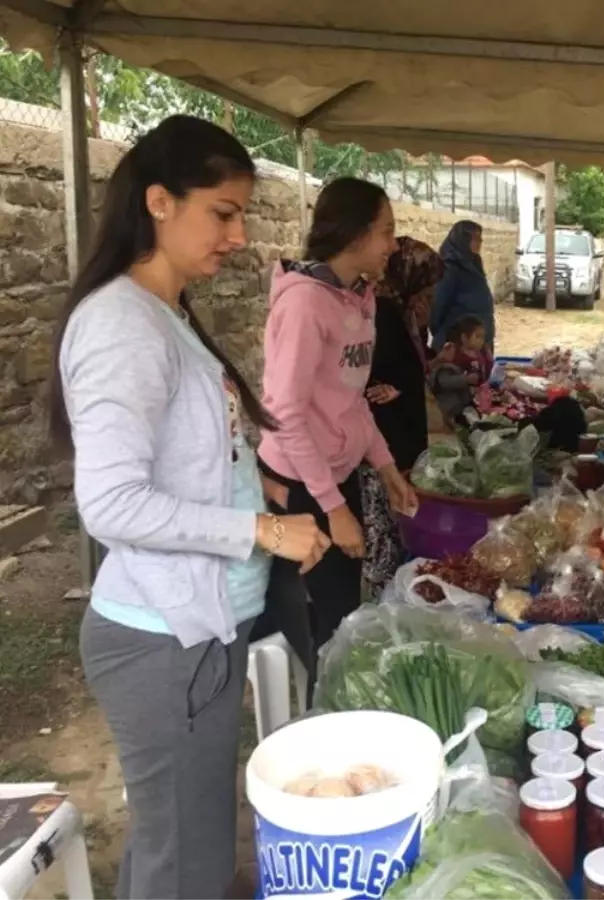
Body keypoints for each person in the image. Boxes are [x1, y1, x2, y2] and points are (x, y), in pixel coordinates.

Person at [49, 115, 329, 900]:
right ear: (160, 202)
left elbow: (182, 456)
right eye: (224, 212)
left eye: (242, 214)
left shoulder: (164, 314)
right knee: (190, 862)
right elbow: (111, 503)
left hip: (196, 633)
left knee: (180, 839)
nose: (238, 236)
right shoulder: (119, 324)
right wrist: (261, 528)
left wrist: (251, 484)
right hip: (159, 640)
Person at [258, 177, 417, 687]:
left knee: (344, 614)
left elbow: (350, 400)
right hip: (300, 486)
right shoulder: (305, 304)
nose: (393, 245)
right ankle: (315, 719)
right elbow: (286, 414)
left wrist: (386, 465)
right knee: (318, 625)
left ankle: (334, 705)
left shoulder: (359, 297)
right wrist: (332, 508)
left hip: (335, 478)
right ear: (353, 235)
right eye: (386, 232)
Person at [360, 236, 444, 598]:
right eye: (426, 283)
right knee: (384, 522)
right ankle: (381, 602)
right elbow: (365, 372)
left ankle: (395, 592)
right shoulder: (377, 311)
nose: (430, 292)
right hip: (384, 435)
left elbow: (412, 366)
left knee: (399, 517)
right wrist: (386, 386)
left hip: (404, 430)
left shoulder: (404, 312)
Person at [431, 220, 494, 350]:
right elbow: (438, 307)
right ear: (462, 240)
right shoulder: (449, 268)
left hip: (478, 343)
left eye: (480, 238)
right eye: (475, 238)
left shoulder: (474, 264)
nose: (480, 242)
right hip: (459, 345)